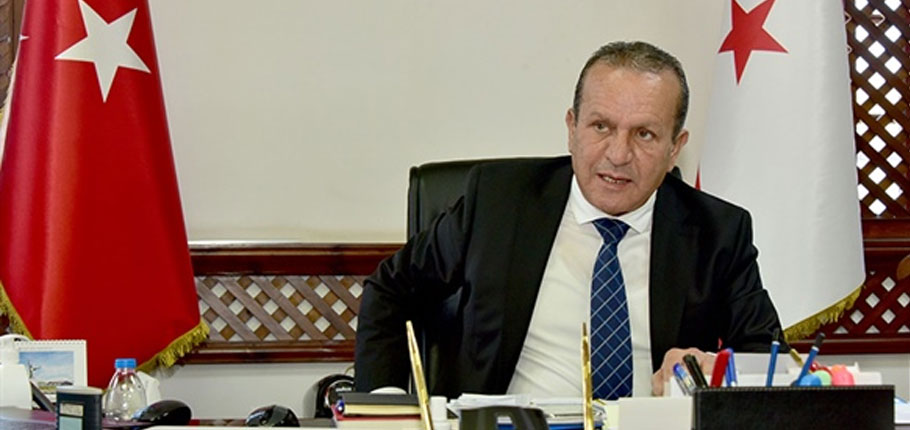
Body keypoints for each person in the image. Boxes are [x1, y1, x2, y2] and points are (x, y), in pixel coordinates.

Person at [354, 41, 784, 399]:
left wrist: (715, 372)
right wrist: (385, 408)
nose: (619, 154)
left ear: (675, 147)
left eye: (645, 134)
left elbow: (767, 358)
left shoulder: (718, 232)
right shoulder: (499, 202)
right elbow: (391, 290)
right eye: (601, 126)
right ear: (572, 127)